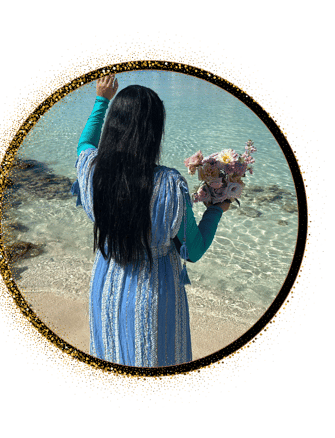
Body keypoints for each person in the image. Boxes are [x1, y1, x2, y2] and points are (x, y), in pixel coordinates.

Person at [71, 74, 231, 367]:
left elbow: (85, 143)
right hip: (154, 295)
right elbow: (193, 251)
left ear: (114, 126)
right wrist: (216, 209)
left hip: (106, 289)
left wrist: (101, 100)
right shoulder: (169, 184)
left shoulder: (93, 172)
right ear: (154, 132)